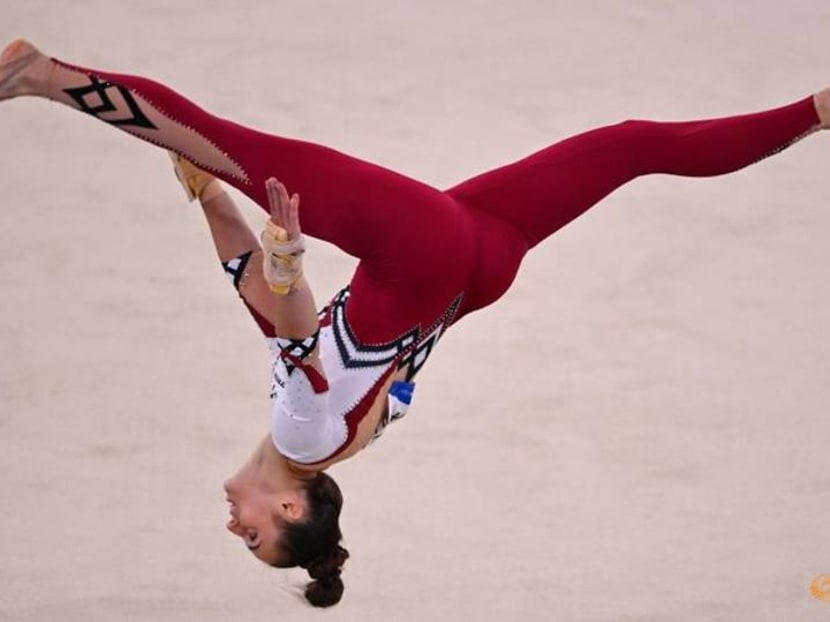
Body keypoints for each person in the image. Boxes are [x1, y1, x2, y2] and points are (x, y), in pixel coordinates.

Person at [1, 38, 828, 607]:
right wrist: (283, 251)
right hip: (419, 256)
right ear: (291, 511)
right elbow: (287, 319)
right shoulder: (296, 439)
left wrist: (213, 202)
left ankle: (817, 110)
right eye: (251, 538)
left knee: (632, 144)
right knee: (227, 141)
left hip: (478, 267)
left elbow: (263, 307)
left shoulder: (344, 439)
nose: (235, 526)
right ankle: (39, 75)